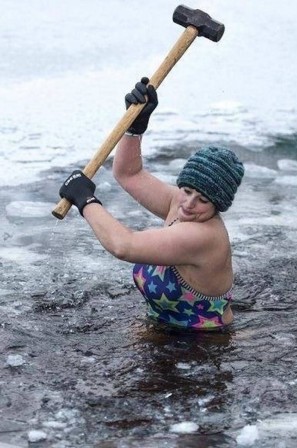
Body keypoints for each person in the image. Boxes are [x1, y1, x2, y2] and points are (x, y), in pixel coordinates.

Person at [59, 77, 245, 331]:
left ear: (218, 205)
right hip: (166, 332)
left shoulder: (202, 235)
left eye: (203, 200)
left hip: (204, 347)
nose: (189, 204)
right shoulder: (178, 203)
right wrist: (134, 127)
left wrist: (86, 200)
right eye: (187, 190)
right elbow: (129, 174)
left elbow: (124, 246)